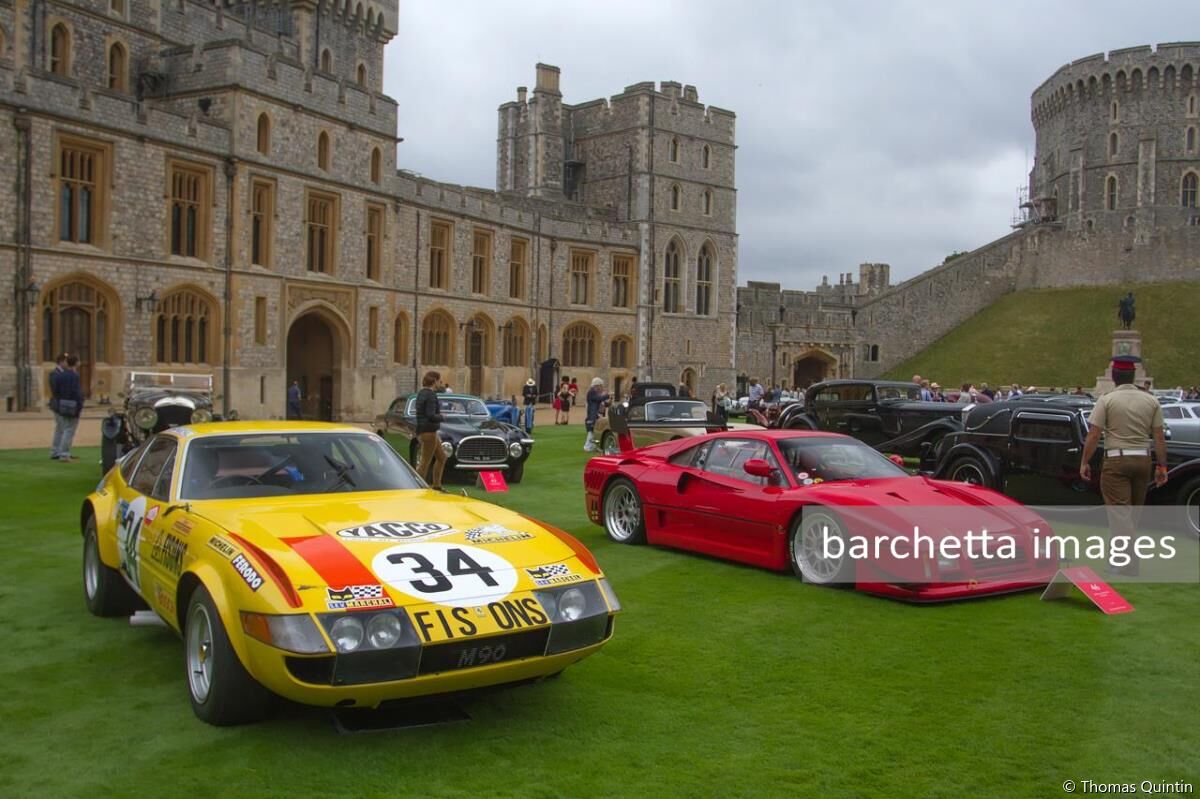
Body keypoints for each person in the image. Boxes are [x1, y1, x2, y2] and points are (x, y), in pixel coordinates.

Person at [1079, 356, 1167, 576]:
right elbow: (1159, 437)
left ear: (1113, 377)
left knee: (1120, 514)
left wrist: (1084, 461)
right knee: (1131, 515)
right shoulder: (1151, 400)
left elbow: (1093, 434)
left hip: (1117, 459)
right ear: (1134, 376)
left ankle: (1127, 562)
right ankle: (1119, 558)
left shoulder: (1107, 400)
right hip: (1143, 459)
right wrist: (1162, 466)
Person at [414, 371, 448, 491]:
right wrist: (442, 417)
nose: (441, 383)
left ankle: (437, 485)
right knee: (425, 462)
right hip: (429, 431)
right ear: (434, 381)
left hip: (424, 431)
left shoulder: (421, 393)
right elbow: (430, 415)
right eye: (439, 381)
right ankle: (415, 486)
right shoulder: (431, 395)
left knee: (442, 458)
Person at [51, 355, 84, 462]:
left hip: (61, 404)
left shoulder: (60, 375)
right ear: (76, 363)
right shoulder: (74, 376)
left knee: (62, 428)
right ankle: (64, 454)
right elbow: (77, 392)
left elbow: (55, 390)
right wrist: (79, 404)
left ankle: (59, 452)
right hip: (72, 405)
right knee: (69, 430)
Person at [47, 353, 69, 460]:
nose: (67, 363)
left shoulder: (63, 373)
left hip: (63, 403)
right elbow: (55, 389)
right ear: (61, 362)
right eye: (65, 361)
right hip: (58, 403)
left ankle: (57, 450)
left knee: (61, 428)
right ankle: (56, 451)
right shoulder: (54, 373)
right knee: (61, 428)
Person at [583, 377, 610, 452]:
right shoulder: (591, 392)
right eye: (600, 385)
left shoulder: (596, 393)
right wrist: (607, 395)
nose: (602, 387)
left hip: (596, 415)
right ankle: (587, 446)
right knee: (591, 432)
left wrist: (609, 401)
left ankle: (593, 446)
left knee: (595, 431)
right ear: (597, 385)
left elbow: (602, 402)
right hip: (592, 416)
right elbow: (598, 399)